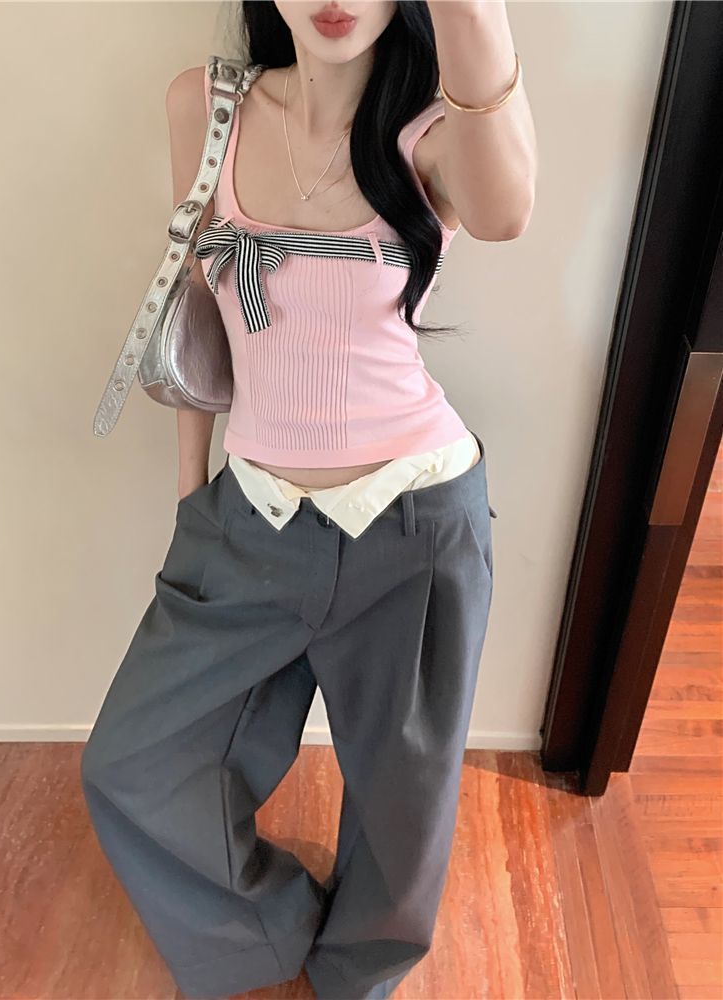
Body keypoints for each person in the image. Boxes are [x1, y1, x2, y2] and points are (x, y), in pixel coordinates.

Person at [80, 2, 536, 998]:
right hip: (250, 515)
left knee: (403, 801)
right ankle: (266, 932)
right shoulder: (205, 106)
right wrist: (192, 500)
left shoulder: (435, 129)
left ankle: (358, 974)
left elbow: (507, 213)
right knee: (136, 762)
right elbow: (194, 312)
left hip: (414, 519)